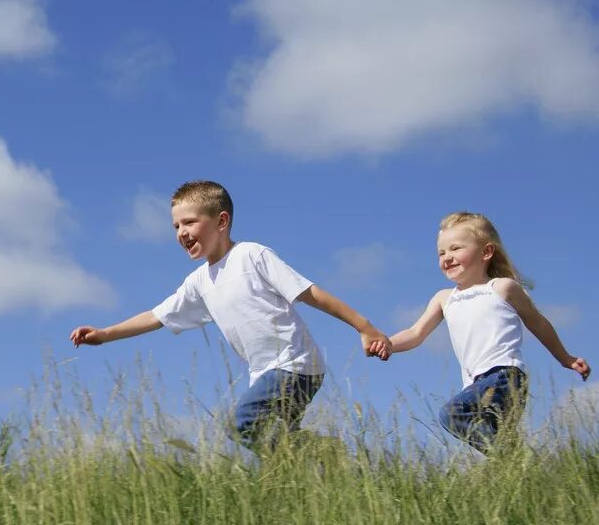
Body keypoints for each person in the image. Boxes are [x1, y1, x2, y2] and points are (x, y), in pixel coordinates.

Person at [69, 180, 391, 450]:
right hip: (265, 374)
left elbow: (311, 294)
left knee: (243, 425)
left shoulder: (251, 256)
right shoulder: (199, 282)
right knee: (277, 446)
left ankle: (320, 453)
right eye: (176, 226)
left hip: (295, 366)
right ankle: (322, 458)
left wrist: (365, 327)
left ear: (221, 222)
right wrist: (105, 334)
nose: (181, 232)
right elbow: (157, 315)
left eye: (190, 222)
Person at [384, 211, 590, 452]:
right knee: (499, 443)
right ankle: (521, 471)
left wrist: (565, 358)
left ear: (486, 252)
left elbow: (538, 323)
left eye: (455, 248)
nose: (447, 257)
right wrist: (388, 343)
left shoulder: (502, 288)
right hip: (475, 383)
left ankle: (513, 459)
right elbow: (416, 333)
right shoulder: (444, 299)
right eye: (441, 253)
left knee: (453, 414)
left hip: (505, 377)